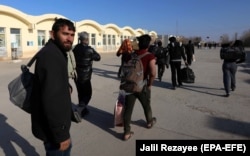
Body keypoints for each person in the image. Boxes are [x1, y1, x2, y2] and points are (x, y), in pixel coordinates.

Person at [30, 18, 75, 155]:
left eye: (72, 35)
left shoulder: (56, 51)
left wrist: (65, 86)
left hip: (53, 126)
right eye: (65, 34)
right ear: (53, 34)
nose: (69, 38)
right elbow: (51, 100)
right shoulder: (51, 55)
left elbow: (51, 83)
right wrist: (60, 135)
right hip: (53, 130)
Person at [122, 34, 157, 141]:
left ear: (138, 44)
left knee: (128, 109)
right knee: (146, 105)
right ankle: (149, 122)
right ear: (148, 44)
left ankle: (126, 133)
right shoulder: (150, 56)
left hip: (129, 86)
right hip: (142, 86)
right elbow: (153, 73)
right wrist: (150, 85)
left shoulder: (130, 55)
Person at [73, 31, 101, 117]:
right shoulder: (89, 49)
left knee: (80, 93)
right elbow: (98, 57)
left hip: (76, 75)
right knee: (88, 93)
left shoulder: (75, 48)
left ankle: (83, 111)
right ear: (86, 39)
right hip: (85, 76)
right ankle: (80, 108)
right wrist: (91, 54)